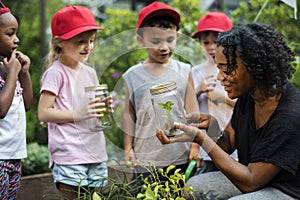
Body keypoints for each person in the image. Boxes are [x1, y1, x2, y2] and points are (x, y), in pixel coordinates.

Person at [156, 23, 300, 199]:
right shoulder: (249, 96)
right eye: (219, 68)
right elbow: (228, 143)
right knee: (194, 187)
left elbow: (250, 181)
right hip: (257, 180)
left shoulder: (290, 114)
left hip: (286, 191)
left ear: (254, 65)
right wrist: (212, 127)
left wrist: (201, 139)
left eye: (226, 68)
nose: (220, 77)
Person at [38, 5, 112, 200]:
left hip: (94, 151)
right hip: (70, 154)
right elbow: (43, 113)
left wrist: (103, 107)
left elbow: (90, 110)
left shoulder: (90, 72)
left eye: (91, 41)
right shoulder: (56, 72)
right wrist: (78, 113)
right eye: (81, 42)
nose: (88, 47)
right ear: (59, 42)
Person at [122, 1, 201, 185]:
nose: (164, 47)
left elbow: (193, 112)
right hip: (145, 160)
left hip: (179, 157)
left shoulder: (184, 71)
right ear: (141, 40)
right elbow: (129, 114)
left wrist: (195, 146)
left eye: (170, 40)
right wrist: (128, 148)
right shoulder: (132, 76)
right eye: (156, 41)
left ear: (177, 36)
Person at [191, 12, 238, 174]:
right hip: (206, 149)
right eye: (206, 42)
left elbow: (245, 105)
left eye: (216, 42)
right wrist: (199, 90)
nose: (211, 47)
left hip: (232, 145)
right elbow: (189, 107)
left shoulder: (237, 70)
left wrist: (222, 97)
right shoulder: (195, 72)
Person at [0, 1, 33, 199]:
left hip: (14, 156)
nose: (17, 39)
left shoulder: (9, 69)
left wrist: (24, 74)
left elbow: (27, 104)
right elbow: (1, 109)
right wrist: (13, 73)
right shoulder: (8, 71)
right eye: (10, 34)